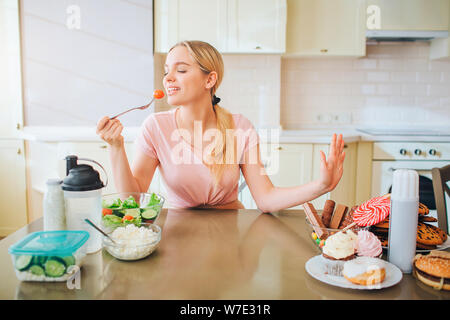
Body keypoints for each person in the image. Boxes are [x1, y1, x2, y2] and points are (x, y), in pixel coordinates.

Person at [96, 40, 345, 212]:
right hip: (179, 234)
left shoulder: (239, 127)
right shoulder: (155, 127)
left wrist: (321, 186)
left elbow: (266, 199)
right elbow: (134, 199)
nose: (168, 78)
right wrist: (115, 147)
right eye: (166, 71)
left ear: (210, 79)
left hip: (231, 231)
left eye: (181, 70)